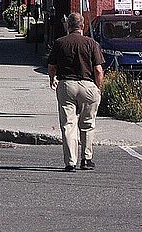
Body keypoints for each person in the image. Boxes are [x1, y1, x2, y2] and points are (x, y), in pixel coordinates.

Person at [47, 12, 105, 172]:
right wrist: (98, 88)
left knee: (68, 125)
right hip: (88, 85)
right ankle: (86, 159)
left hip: (67, 85)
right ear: (83, 26)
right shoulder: (91, 43)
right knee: (87, 124)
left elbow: (52, 66)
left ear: (68, 26)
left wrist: (52, 78)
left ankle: (70, 162)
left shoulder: (60, 43)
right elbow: (98, 70)